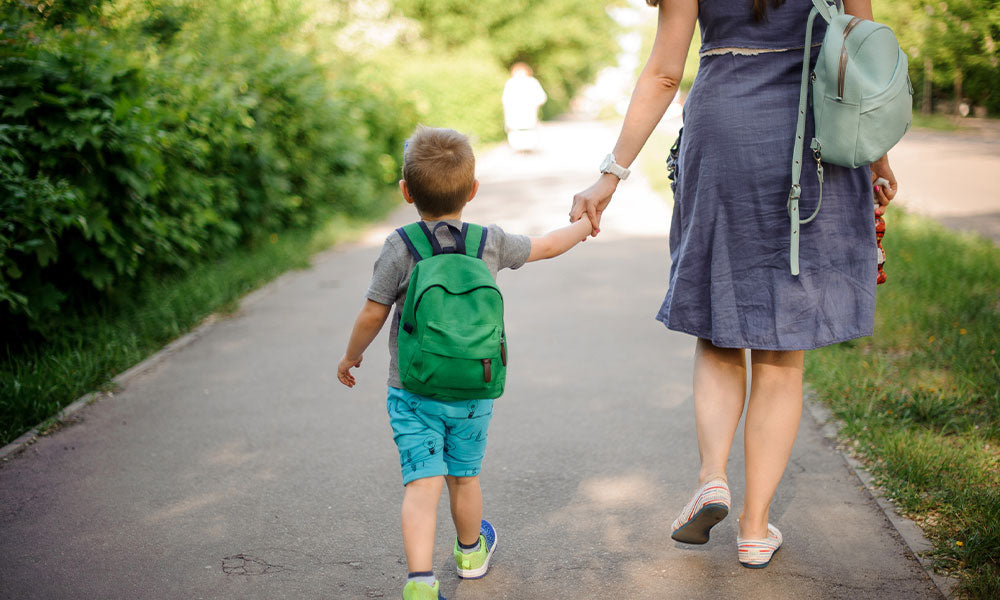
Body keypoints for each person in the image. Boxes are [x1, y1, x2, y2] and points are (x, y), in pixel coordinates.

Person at [569, 0, 899, 569]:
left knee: (722, 324)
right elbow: (860, 58)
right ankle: (753, 529)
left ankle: (712, 477)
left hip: (722, 130)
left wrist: (610, 175)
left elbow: (664, 73)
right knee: (782, 342)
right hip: (812, 136)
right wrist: (877, 159)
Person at [338, 126, 592, 600]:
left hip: (412, 389)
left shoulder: (401, 245)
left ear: (405, 191)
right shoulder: (487, 242)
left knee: (422, 483)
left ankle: (419, 584)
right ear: (473, 190)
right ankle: (471, 553)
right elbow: (549, 245)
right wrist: (585, 224)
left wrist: (352, 357)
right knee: (465, 476)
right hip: (475, 387)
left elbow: (374, 310)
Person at [502, 62, 547, 151]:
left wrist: (533, 103)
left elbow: (542, 97)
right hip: (513, 114)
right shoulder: (511, 83)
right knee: (516, 134)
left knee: (528, 133)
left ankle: (527, 149)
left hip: (529, 113)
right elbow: (505, 100)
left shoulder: (532, 82)